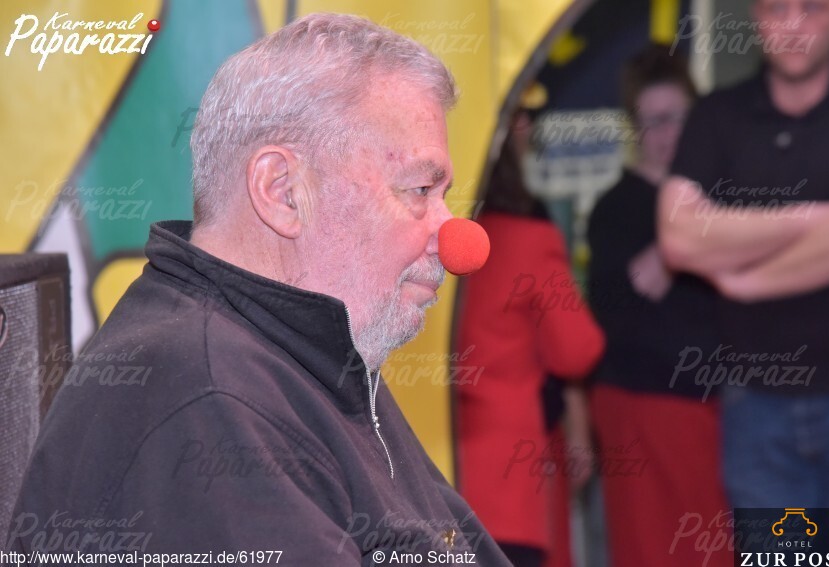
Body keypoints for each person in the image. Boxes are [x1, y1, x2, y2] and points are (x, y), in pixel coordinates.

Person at [6, 13, 513, 566]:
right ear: (283, 192)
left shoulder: (310, 359)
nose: (457, 240)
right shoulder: (207, 400)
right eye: (419, 189)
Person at [657, 0, 829, 516]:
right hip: (754, 405)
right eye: (775, 9)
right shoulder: (718, 115)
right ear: (755, 16)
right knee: (777, 553)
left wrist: (747, 279)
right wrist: (814, 217)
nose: (793, 25)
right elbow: (678, 238)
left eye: (811, 8)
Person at [586, 44, 730, 567]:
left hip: (719, 407)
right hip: (643, 402)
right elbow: (607, 314)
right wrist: (669, 252)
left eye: (677, 117)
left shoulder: (717, 196)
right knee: (653, 548)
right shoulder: (616, 209)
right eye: (652, 121)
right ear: (635, 127)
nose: (667, 133)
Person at [455, 106, 605, 567]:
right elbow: (577, 351)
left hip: (430, 474)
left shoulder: (428, 243)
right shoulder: (529, 240)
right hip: (506, 483)